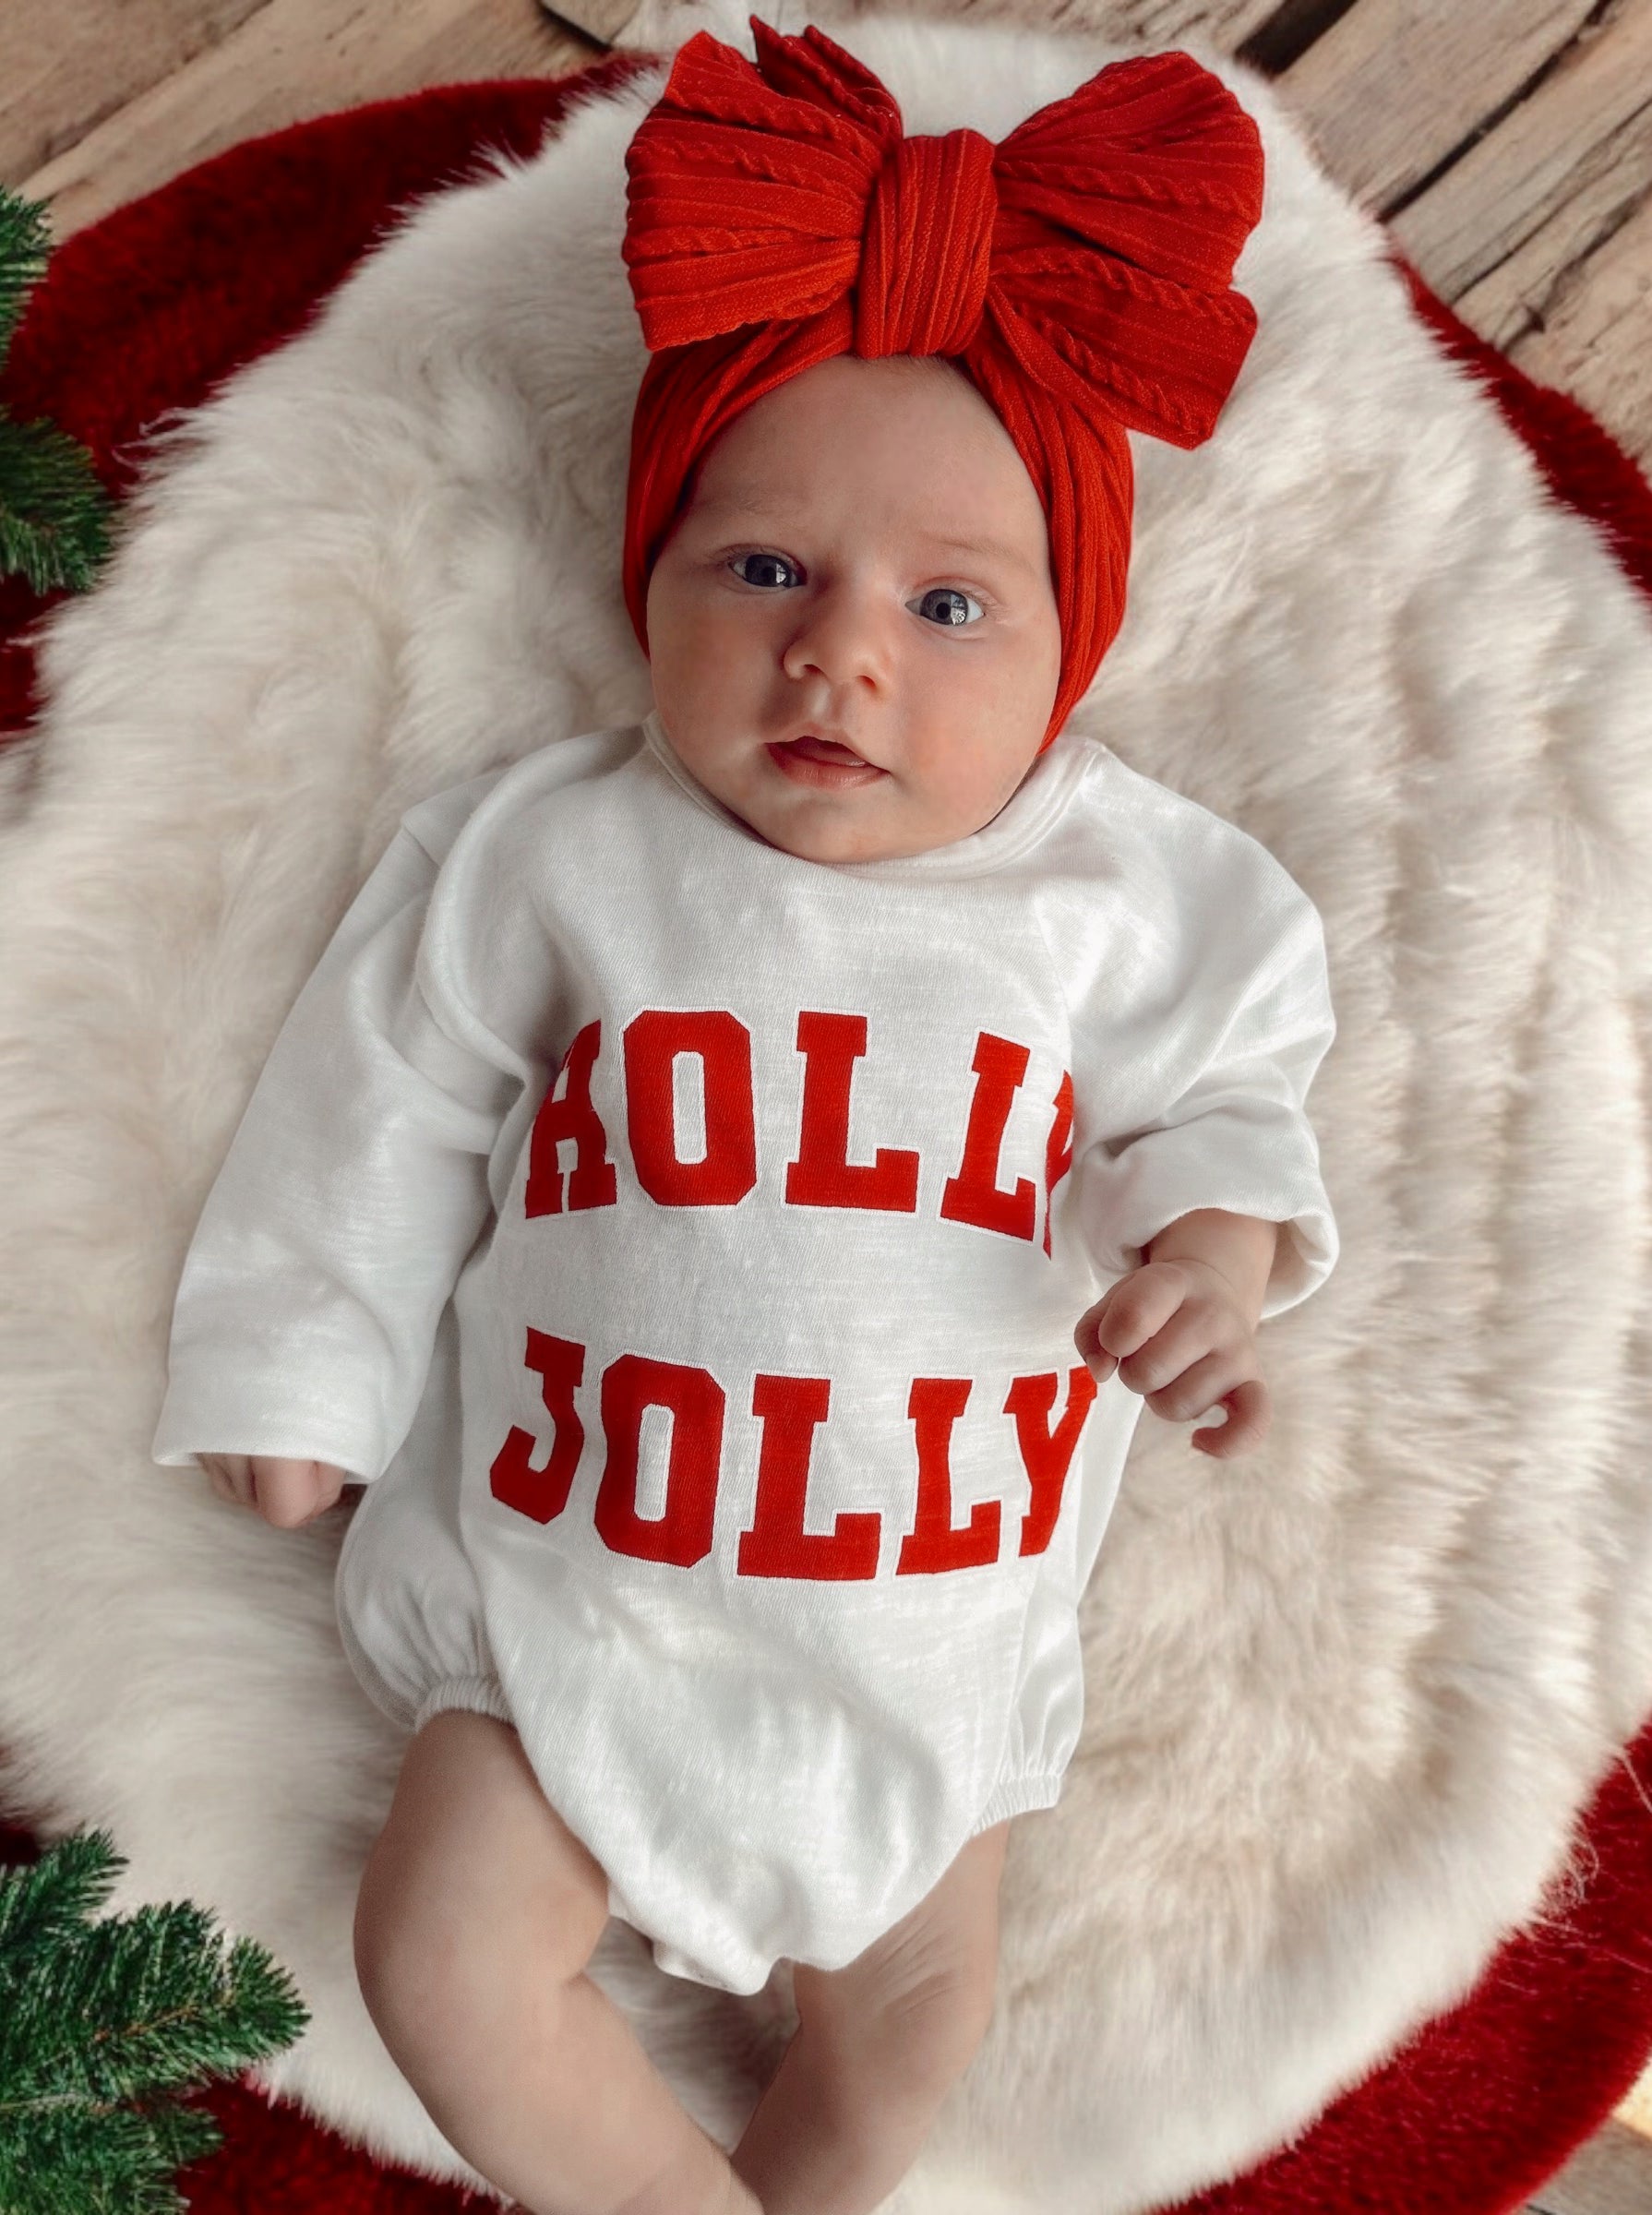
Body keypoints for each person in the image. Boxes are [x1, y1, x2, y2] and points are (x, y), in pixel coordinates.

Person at [151, 21, 1338, 2215]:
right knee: (441, 1957)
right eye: (763, 571)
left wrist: (1210, 1255)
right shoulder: (554, 850)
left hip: (928, 1645)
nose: (840, 660)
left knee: (914, 2046)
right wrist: (297, 1362)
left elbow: (1235, 1092)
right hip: (562, 1613)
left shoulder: (1123, 889)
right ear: (650, 584)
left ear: (1070, 656)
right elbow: (377, 1100)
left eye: (948, 606)